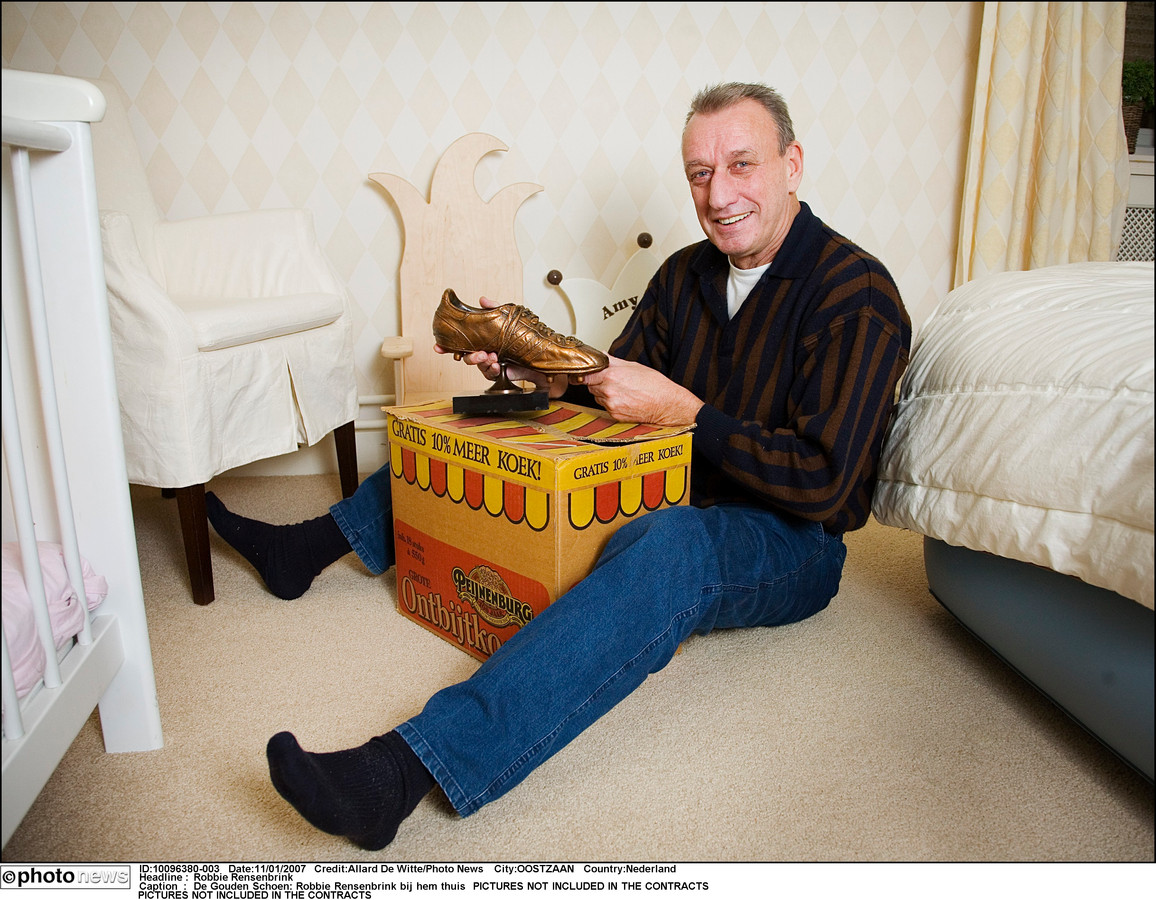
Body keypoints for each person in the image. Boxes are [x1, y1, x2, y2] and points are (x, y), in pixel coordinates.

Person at [207, 82, 911, 850]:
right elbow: (610, 392)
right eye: (700, 173)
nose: (719, 192)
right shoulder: (686, 274)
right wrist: (528, 372)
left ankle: (402, 773)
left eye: (741, 164)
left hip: (789, 537)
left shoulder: (858, 293)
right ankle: (308, 547)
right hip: (669, 475)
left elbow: (828, 483)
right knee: (509, 419)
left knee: (668, 548)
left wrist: (690, 414)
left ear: (792, 165)